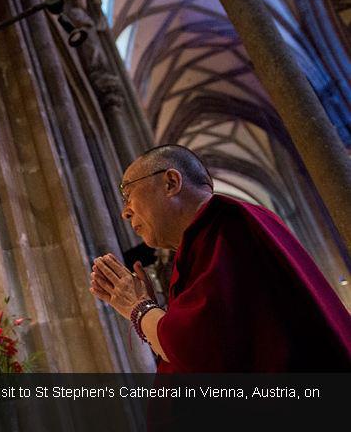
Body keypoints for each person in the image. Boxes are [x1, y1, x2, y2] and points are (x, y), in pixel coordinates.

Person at [90, 144, 351, 372]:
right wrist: (154, 312)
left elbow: (198, 350)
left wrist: (138, 307)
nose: (125, 212)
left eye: (128, 194)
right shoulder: (204, 241)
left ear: (171, 182)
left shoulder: (226, 225)